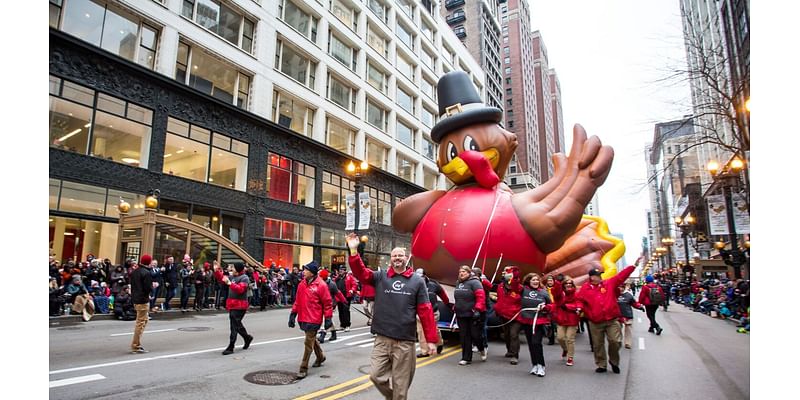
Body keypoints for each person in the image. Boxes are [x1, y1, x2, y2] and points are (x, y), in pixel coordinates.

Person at [345, 233, 438, 400]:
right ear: (390, 258)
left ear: (406, 258)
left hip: (404, 342)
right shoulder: (381, 277)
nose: (397, 258)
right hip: (382, 339)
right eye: (394, 255)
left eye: (400, 255)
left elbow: (425, 311)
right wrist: (353, 251)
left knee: (400, 387)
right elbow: (361, 273)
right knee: (375, 376)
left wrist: (431, 339)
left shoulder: (417, 281)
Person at [575, 264, 636, 374]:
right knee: (598, 344)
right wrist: (579, 307)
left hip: (611, 319)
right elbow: (579, 300)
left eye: (600, 275)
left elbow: (621, 276)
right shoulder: (585, 288)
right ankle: (601, 364)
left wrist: (633, 266)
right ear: (592, 277)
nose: (600, 277)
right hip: (595, 321)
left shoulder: (608, 283)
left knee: (615, 341)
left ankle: (614, 361)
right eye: (598, 275)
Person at [288, 260, 333, 379]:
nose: (303, 272)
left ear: (312, 273)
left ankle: (303, 367)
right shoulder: (301, 284)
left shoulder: (321, 285)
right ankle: (320, 357)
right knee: (311, 339)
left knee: (308, 342)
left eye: (306, 270)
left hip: (314, 318)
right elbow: (297, 300)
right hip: (303, 317)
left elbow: (327, 303)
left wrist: (328, 318)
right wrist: (293, 314)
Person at [215, 263, 254, 355]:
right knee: (236, 324)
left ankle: (231, 346)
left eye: (233, 268)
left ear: (238, 269)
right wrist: (217, 270)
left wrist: (229, 283)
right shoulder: (232, 277)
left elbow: (240, 289)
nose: (231, 269)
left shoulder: (244, 278)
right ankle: (247, 337)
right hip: (232, 304)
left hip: (240, 305)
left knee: (234, 325)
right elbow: (222, 278)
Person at [519, 272, 553, 377]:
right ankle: (534, 364)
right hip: (526, 320)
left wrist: (545, 308)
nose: (535, 282)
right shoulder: (523, 290)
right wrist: (515, 273)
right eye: (533, 280)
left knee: (536, 343)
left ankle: (541, 365)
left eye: (537, 280)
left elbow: (551, 305)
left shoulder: (543, 292)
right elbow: (514, 285)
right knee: (530, 344)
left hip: (538, 321)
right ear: (528, 281)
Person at [454, 265, 487, 365]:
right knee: (464, 336)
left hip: (473, 313)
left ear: (469, 273)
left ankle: (481, 349)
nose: (461, 273)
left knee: (475, 335)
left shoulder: (475, 282)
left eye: (464, 271)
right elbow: (457, 297)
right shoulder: (458, 283)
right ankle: (466, 358)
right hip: (461, 313)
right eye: (460, 271)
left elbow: (481, 297)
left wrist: (477, 310)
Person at [415, 268, 449, 357]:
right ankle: (424, 351)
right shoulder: (413, 285)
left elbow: (443, 294)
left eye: (421, 277)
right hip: (419, 313)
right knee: (421, 332)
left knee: (434, 329)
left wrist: (447, 303)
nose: (419, 279)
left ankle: (439, 343)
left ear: (425, 276)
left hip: (433, 312)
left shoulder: (433, 285)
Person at [493, 266, 523, 365]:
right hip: (503, 315)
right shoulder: (500, 286)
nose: (504, 275)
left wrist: (513, 271)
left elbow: (515, 280)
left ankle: (515, 355)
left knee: (513, 334)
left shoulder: (518, 287)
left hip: (516, 316)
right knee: (506, 334)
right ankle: (510, 350)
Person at [551, 275, 581, 366]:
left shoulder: (576, 293)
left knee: (569, 339)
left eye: (570, 283)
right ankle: (565, 349)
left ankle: (570, 357)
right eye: (566, 283)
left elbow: (579, 303)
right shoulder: (561, 294)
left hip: (572, 319)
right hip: (561, 319)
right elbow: (556, 293)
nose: (568, 285)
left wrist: (577, 308)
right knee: (560, 337)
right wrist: (557, 282)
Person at [130, 254, 154, 354]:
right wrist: (153, 287)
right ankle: (136, 345)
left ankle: (136, 344)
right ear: (148, 262)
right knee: (140, 323)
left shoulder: (135, 271)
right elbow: (147, 287)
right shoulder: (146, 273)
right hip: (143, 300)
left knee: (142, 321)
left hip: (136, 298)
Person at [318, 268, 346, 343]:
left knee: (324, 320)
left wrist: (344, 301)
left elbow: (338, 293)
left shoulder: (331, 284)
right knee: (328, 320)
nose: (319, 277)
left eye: (320, 276)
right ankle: (334, 333)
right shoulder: (319, 283)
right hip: (321, 304)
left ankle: (322, 335)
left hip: (330, 304)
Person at [617, 282, 643, 349]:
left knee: (628, 329)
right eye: (619, 287)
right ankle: (618, 341)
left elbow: (634, 303)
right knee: (617, 329)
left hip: (627, 314)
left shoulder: (628, 295)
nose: (620, 289)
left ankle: (628, 343)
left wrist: (639, 306)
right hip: (617, 315)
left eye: (621, 287)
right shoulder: (614, 295)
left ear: (624, 287)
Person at [334, 266, 353, 332]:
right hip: (339, 296)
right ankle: (342, 325)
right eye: (340, 270)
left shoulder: (349, 277)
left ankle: (347, 325)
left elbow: (354, 284)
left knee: (346, 310)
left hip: (347, 296)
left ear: (345, 271)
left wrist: (352, 290)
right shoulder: (337, 278)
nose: (340, 271)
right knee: (340, 310)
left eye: (342, 270)